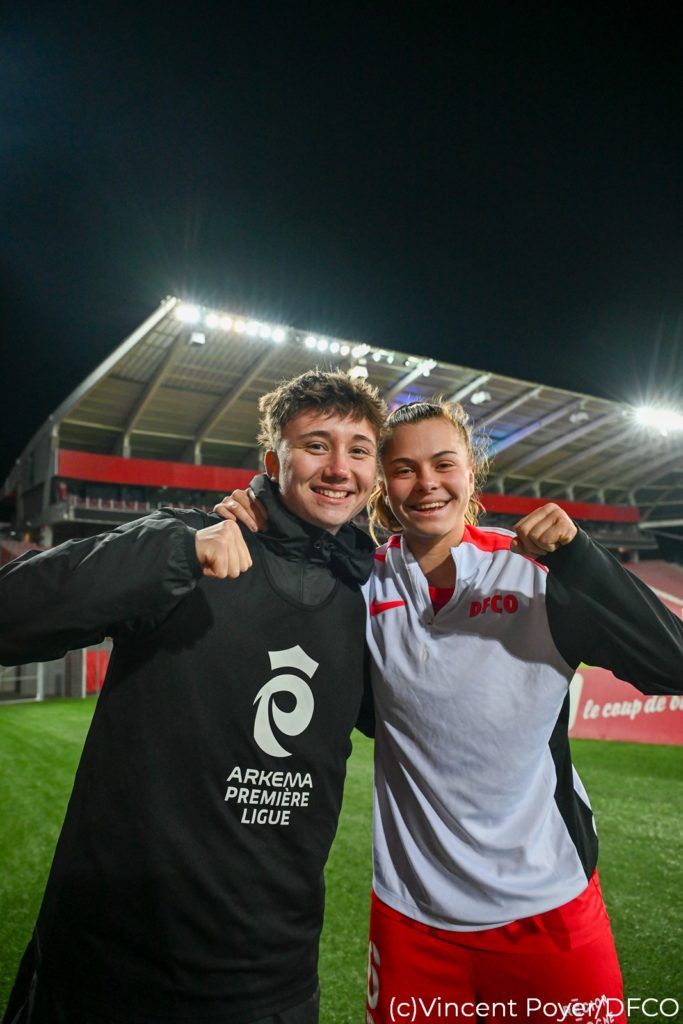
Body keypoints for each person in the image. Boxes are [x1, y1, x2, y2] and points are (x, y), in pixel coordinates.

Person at [219, 399, 683, 1024]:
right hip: (412, 918)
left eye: (443, 464)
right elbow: (291, 564)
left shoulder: (535, 573)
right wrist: (251, 512)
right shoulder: (361, 583)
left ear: (470, 473)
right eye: (404, 469)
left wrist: (580, 556)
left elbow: (672, 664)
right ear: (383, 486)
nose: (427, 483)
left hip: (548, 908)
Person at [0, 369, 386, 1024]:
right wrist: (172, 553)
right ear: (274, 462)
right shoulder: (182, 542)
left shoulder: (366, 600)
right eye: (316, 445)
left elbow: (435, 721)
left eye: (359, 450)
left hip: (273, 983)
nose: (338, 467)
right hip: (108, 974)